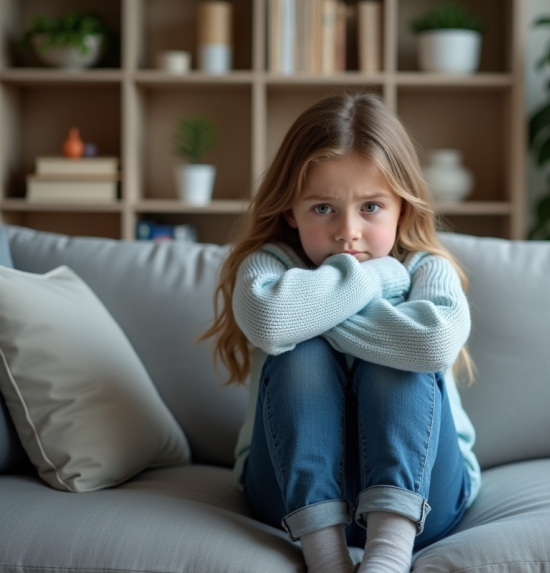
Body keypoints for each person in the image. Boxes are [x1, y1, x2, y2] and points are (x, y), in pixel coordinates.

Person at [200, 92, 480, 573]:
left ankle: (388, 557)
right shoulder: (267, 267)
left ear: (402, 210)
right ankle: (326, 559)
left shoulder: (429, 269)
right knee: (299, 351)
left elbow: (432, 343)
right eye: (323, 209)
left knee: (398, 357)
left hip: (423, 496)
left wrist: (316, 309)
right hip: (291, 501)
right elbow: (272, 320)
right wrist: (377, 277)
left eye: (371, 206)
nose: (347, 233)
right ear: (290, 210)